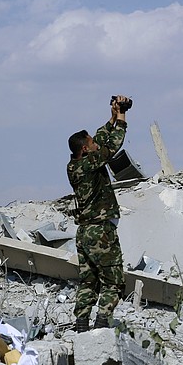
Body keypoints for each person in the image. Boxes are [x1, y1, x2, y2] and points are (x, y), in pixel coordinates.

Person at [66, 95, 131, 332]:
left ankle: (81, 326)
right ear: (85, 148)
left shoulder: (75, 164)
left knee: (88, 282)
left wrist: (112, 116)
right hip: (100, 231)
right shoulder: (90, 162)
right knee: (113, 281)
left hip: (84, 232)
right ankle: (102, 325)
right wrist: (122, 118)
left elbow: (100, 142)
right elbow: (111, 146)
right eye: (91, 143)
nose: (95, 144)